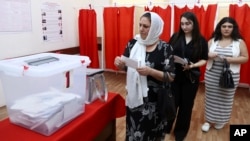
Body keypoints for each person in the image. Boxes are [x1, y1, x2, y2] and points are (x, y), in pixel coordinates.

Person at [114, 12, 175, 141]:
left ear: (155, 28)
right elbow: (127, 66)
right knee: (134, 130)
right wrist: (120, 64)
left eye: (146, 26)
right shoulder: (133, 43)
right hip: (135, 98)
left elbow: (170, 76)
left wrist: (150, 71)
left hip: (155, 101)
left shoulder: (165, 48)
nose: (141, 29)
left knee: (152, 133)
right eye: (140, 25)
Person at [166, 12, 208, 141]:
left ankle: (181, 132)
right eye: (182, 23)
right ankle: (166, 127)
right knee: (172, 103)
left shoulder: (201, 40)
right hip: (174, 76)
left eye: (188, 23)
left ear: (194, 24)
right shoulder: (175, 36)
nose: (185, 26)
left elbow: (204, 59)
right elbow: (167, 52)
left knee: (186, 106)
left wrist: (193, 65)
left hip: (190, 78)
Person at [201, 17, 249, 132]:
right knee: (210, 98)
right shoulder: (212, 41)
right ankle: (208, 120)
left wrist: (231, 60)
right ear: (220, 28)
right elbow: (202, 54)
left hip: (231, 76)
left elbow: (245, 58)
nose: (226, 29)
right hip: (212, 74)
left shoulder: (239, 42)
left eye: (229, 26)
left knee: (226, 98)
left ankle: (220, 120)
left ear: (233, 28)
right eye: (224, 26)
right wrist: (209, 55)